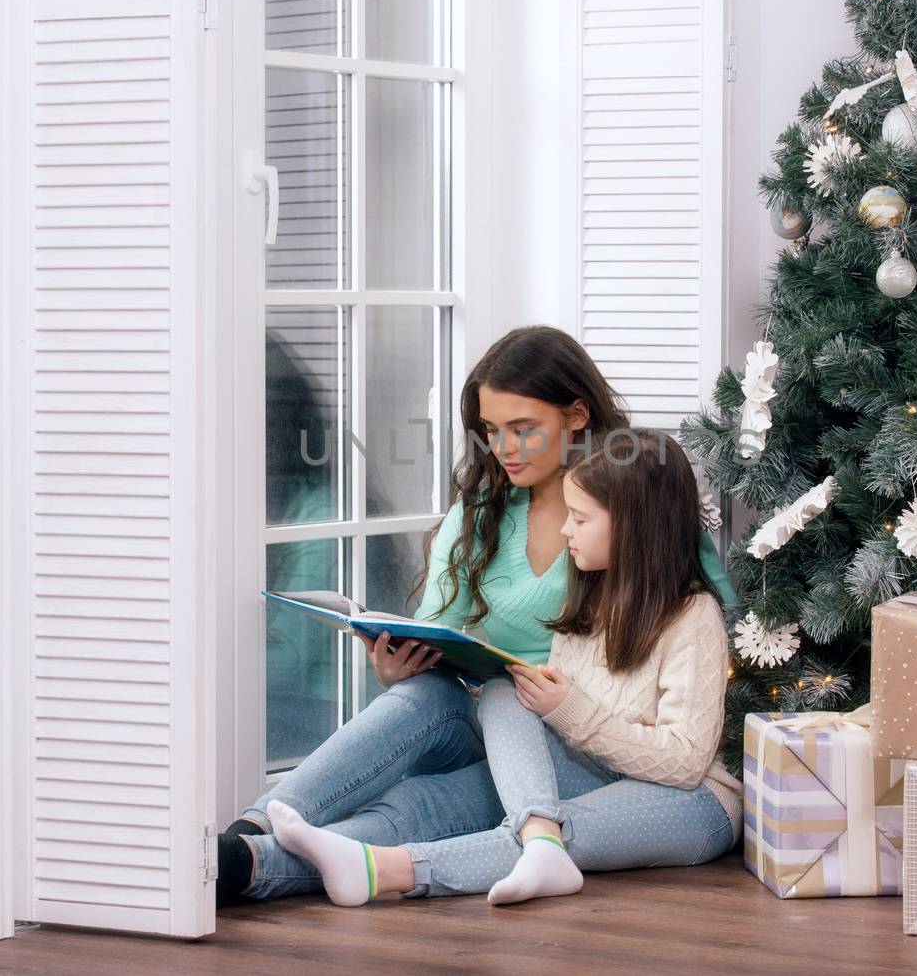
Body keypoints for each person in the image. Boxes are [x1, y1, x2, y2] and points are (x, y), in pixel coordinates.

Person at [218, 326, 739, 904]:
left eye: (522, 429)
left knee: (427, 805)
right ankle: (249, 832)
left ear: (575, 417)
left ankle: (248, 869)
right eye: (492, 432)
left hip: (586, 739)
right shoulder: (483, 515)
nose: (504, 449)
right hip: (512, 721)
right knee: (437, 698)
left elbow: (698, 632)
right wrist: (400, 662)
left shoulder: (644, 519)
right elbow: (440, 622)